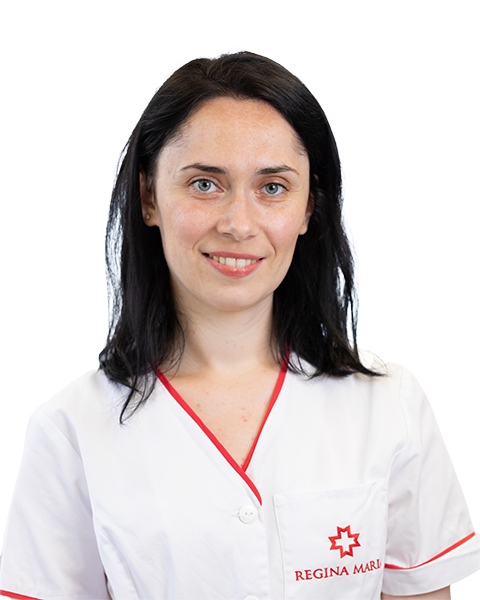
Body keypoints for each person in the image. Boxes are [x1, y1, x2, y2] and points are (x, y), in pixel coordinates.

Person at [0, 50, 479, 600]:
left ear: (309, 207)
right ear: (149, 197)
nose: (239, 224)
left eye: (272, 187)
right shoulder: (71, 430)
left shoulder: (389, 404)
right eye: (205, 184)